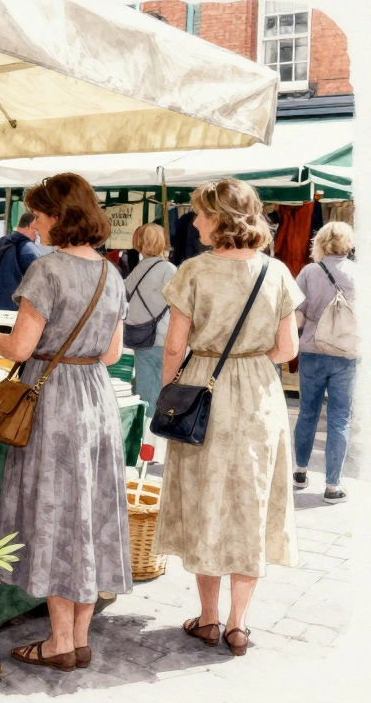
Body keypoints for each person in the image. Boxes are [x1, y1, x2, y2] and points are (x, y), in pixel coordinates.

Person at [0, 173, 129, 672]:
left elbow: (20, 349)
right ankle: (77, 637)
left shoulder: (49, 271)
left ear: (59, 216)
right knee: (86, 515)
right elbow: (113, 352)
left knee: (57, 514)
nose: (34, 222)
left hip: (53, 402)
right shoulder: (110, 274)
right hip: (95, 397)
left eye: (39, 213)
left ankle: (59, 642)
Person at [153, 178, 301, 657]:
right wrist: (249, 362)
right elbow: (288, 349)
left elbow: (174, 345)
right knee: (251, 503)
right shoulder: (277, 272)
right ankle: (239, 625)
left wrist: (169, 392)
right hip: (259, 395)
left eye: (200, 213)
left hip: (203, 389)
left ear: (219, 218)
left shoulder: (194, 271)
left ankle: (210, 619)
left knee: (205, 499)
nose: (194, 221)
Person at [292, 221, 357, 503]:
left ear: (320, 242)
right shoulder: (359, 273)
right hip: (346, 352)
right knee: (340, 417)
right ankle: (332, 486)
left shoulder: (309, 271)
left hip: (313, 349)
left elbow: (296, 314)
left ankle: (300, 472)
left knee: (307, 412)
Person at [124, 223, 177, 418]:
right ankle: (158, 436)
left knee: (146, 393)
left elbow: (125, 294)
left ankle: (145, 438)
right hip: (165, 338)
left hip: (141, 337)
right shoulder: (168, 269)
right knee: (166, 393)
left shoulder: (137, 269)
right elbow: (179, 304)